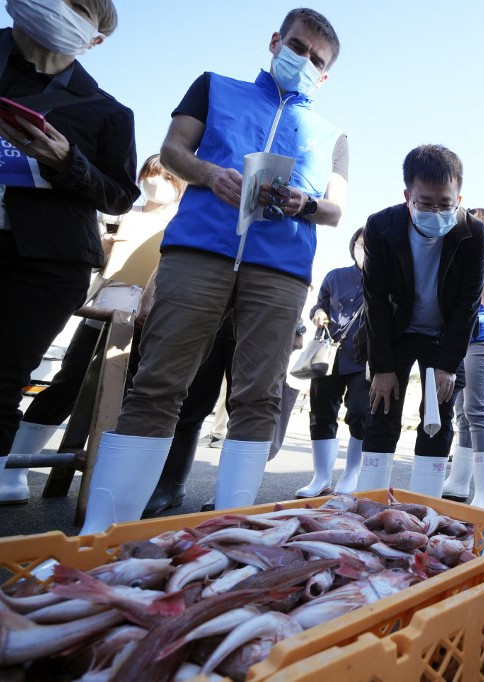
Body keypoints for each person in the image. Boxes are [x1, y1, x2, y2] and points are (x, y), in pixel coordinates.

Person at [79, 7, 348, 534]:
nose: (304, 61)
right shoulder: (214, 86)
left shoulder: (332, 134)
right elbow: (172, 150)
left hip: (281, 267)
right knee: (157, 383)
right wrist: (209, 174)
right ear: (275, 42)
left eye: (316, 59)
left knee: (258, 397)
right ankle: (104, 533)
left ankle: (233, 536)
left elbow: (336, 209)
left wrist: (303, 203)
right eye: (297, 47)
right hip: (198, 251)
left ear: (326, 74)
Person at [0, 0, 137, 488]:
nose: (58, 6)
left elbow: (120, 195)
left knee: (5, 377)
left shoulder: (106, 111)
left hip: (46, 259)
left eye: (77, 5)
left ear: (94, 38)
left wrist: (67, 160)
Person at [0, 153, 181, 504]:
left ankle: (117, 481)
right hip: (102, 304)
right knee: (69, 383)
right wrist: (105, 242)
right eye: (150, 174)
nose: (155, 182)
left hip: (147, 314)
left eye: (166, 177)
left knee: (133, 394)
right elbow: (93, 254)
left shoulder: (181, 222)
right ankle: (13, 469)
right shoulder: (120, 213)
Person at [355, 144, 484, 496]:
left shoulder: (473, 233)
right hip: (396, 331)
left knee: (438, 417)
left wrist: (447, 365)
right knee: (381, 410)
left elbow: (467, 305)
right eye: (425, 203)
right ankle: (370, 501)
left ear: (459, 197)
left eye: (446, 204)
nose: (436, 211)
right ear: (407, 195)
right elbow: (376, 301)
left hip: (443, 336)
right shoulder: (381, 225)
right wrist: (381, 367)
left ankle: (426, 505)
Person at [442, 207, 484, 510]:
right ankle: (459, 481)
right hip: (465, 336)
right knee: (463, 411)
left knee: (478, 408)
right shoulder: (468, 256)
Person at [296, 227, 369, 497]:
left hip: (365, 356)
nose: (363, 248)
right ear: (353, 244)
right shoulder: (335, 276)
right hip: (329, 352)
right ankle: (321, 477)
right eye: (360, 243)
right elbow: (319, 304)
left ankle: (351, 473)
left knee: (361, 412)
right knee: (322, 411)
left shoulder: (386, 279)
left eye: (370, 244)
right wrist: (318, 313)